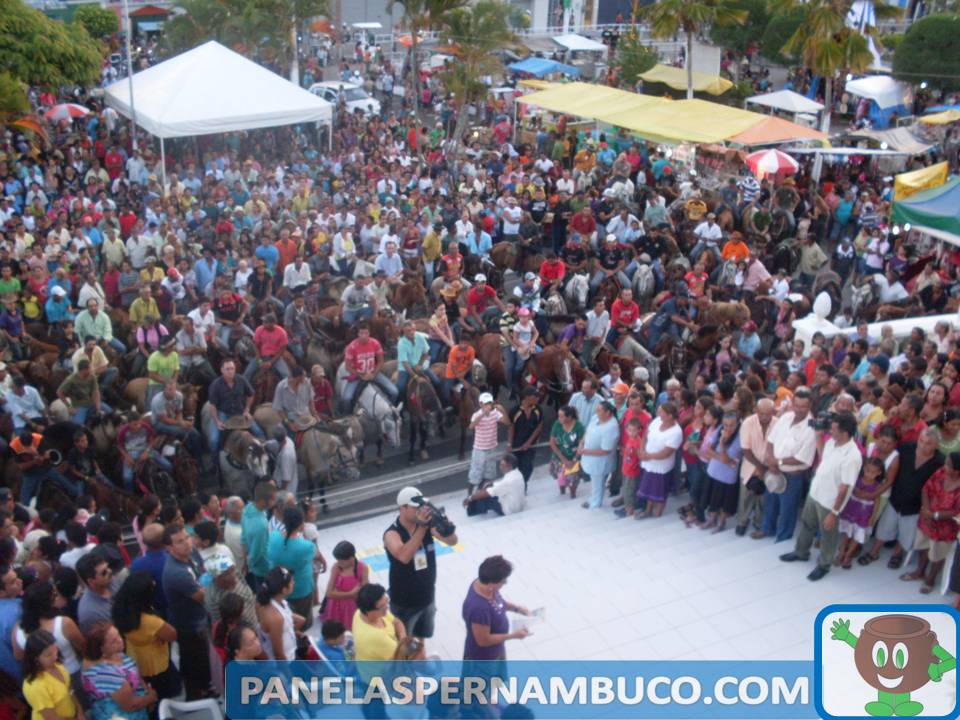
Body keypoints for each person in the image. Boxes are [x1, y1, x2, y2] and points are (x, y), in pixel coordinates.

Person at [780, 412, 863, 581]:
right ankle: (801, 552)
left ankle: (824, 565)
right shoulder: (833, 442)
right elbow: (824, 456)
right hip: (815, 493)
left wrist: (834, 513)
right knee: (807, 524)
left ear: (844, 432)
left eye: (834, 429)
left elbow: (844, 488)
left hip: (829, 502)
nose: (830, 431)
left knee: (828, 535)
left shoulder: (852, 456)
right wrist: (818, 436)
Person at [383, 487, 458, 639]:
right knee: (404, 641)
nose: (420, 511)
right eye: (415, 507)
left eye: (421, 506)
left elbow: (453, 541)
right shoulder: (392, 533)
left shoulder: (427, 526)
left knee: (422, 636)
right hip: (404, 601)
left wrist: (446, 528)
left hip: (427, 595)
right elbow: (404, 556)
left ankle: (420, 652)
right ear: (402, 508)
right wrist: (423, 528)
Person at [111, 572, 181, 701]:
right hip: (156, 663)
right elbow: (173, 635)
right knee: (168, 692)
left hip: (136, 658)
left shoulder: (119, 610)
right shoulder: (150, 621)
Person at [160, 525, 210, 700]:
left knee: (202, 658)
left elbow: (203, 571)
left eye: (188, 537)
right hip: (189, 625)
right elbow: (201, 596)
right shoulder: (176, 572)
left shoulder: (192, 553)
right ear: (169, 547)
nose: (187, 543)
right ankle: (195, 695)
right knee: (192, 661)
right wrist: (211, 582)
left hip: (199, 617)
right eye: (180, 541)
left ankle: (204, 687)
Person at [900, 451, 960, 593]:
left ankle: (930, 578)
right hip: (927, 518)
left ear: (957, 471)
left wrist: (935, 515)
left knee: (937, 554)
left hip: (946, 526)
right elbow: (926, 490)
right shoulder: (940, 473)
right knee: (923, 546)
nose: (944, 466)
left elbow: (957, 511)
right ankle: (920, 571)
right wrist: (927, 512)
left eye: (948, 465)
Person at [762, 389, 817, 542]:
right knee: (770, 502)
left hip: (792, 477)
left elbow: (802, 459)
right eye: (796, 405)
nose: (799, 409)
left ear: (810, 406)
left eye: (803, 406)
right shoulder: (786, 417)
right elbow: (771, 440)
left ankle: (783, 538)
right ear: (792, 404)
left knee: (788, 509)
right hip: (774, 470)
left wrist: (777, 462)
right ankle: (767, 530)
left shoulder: (811, 428)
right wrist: (771, 460)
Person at [80, 621, 156, 720]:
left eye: (118, 635)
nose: (120, 640)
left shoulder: (113, 653)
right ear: (102, 649)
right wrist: (151, 697)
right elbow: (131, 706)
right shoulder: (107, 674)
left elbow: (135, 674)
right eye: (114, 641)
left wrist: (146, 691)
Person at [462, 556, 531, 664]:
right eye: (503, 581)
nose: (506, 582)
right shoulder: (479, 609)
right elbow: (483, 640)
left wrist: (517, 609)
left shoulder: (484, 585)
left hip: (496, 647)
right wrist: (513, 635)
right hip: (484, 658)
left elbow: (499, 602)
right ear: (491, 583)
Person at [267, 506, 325, 631]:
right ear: (301, 524)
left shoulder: (273, 537)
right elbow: (316, 555)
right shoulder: (306, 546)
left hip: (279, 587)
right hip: (301, 588)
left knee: (286, 617)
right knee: (302, 619)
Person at [635, 401, 684, 518]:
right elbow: (645, 435)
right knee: (649, 489)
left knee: (660, 491)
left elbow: (666, 453)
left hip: (661, 468)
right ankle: (648, 510)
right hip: (648, 463)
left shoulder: (676, 432)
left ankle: (658, 513)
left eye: (661, 411)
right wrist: (641, 450)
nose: (658, 413)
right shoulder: (657, 421)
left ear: (670, 416)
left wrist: (647, 456)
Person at [206, 359, 265, 453]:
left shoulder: (241, 379)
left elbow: (251, 394)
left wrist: (247, 409)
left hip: (240, 412)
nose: (230, 371)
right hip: (223, 412)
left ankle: (264, 452)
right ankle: (215, 460)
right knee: (214, 440)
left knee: (259, 432)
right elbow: (212, 405)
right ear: (222, 370)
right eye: (227, 369)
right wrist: (217, 421)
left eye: (232, 368)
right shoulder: (215, 385)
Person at [21, 629, 82, 720]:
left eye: (55, 650)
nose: (55, 656)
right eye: (49, 655)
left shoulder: (56, 664)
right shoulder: (34, 686)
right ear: (35, 658)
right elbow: (51, 717)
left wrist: (79, 711)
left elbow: (70, 690)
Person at [340, 322, 398, 413]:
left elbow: (380, 361)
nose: (364, 336)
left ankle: (389, 412)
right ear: (358, 334)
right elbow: (348, 367)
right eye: (361, 333)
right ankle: (348, 415)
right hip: (358, 375)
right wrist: (361, 375)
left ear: (369, 333)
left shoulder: (375, 343)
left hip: (373, 373)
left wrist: (373, 374)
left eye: (366, 333)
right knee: (346, 398)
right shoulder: (351, 347)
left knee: (394, 392)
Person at [12, 431, 80, 506]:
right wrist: (34, 462)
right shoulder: (15, 445)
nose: (28, 447)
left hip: (45, 469)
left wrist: (40, 457)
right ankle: (25, 509)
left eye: (29, 444)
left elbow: (47, 455)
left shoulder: (39, 439)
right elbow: (21, 466)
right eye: (26, 445)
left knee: (69, 487)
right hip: (30, 474)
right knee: (24, 499)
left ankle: (78, 499)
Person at [577, 400, 621, 511]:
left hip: (600, 461)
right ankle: (593, 499)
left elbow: (606, 450)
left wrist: (585, 451)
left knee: (598, 483)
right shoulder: (595, 418)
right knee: (595, 482)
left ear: (608, 413)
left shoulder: (611, 427)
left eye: (599, 410)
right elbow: (587, 432)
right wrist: (581, 443)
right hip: (590, 457)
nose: (596, 412)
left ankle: (595, 504)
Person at [255, 566, 303, 661]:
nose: (293, 583)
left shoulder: (275, 601)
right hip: (287, 659)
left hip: (290, 651)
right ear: (284, 590)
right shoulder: (276, 618)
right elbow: (279, 654)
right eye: (291, 582)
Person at [321, 541, 369, 632]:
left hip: (354, 606)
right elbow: (329, 593)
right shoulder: (336, 568)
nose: (338, 562)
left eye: (342, 560)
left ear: (351, 558)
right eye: (337, 560)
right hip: (337, 605)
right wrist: (350, 594)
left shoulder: (363, 568)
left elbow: (365, 590)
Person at [468, 394, 511, 492]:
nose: (488, 405)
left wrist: (503, 410)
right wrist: (483, 414)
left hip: (491, 448)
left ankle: (482, 492)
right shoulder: (476, 414)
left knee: (489, 474)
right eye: (486, 403)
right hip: (479, 449)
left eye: (490, 403)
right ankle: (470, 494)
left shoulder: (495, 413)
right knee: (475, 474)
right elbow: (471, 426)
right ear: (480, 404)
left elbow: (507, 422)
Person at [352, 584, 405, 662]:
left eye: (387, 601)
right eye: (382, 606)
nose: (387, 607)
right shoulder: (376, 637)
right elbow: (403, 657)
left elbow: (397, 622)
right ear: (368, 611)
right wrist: (403, 643)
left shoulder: (359, 612)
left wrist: (402, 638)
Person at [242, 483, 276, 591]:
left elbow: (243, 538)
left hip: (253, 564)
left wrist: (245, 560)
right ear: (263, 501)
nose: (275, 502)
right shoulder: (260, 525)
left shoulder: (247, 509)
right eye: (273, 499)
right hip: (263, 568)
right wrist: (250, 564)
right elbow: (257, 552)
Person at [508, 388, 543, 489]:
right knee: (517, 466)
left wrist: (529, 442)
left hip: (531, 444)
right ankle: (519, 486)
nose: (537, 398)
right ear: (527, 397)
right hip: (517, 444)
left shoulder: (538, 409)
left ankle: (524, 484)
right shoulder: (515, 411)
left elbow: (539, 427)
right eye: (535, 396)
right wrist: (509, 444)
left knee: (528, 466)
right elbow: (511, 428)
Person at [549, 405, 585, 498]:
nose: (559, 418)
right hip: (559, 456)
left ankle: (573, 493)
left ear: (569, 417)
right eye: (558, 416)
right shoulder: (557, 424)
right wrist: (564, 460)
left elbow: (581, 444)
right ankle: (562, 490)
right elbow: (552, 443)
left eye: (561, 416)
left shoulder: (579, 426)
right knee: (561, 478)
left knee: (573, 479)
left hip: (574, 457)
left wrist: (574, 460)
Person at [76, 554, 114, 634]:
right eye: (104, 572)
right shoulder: (89, 614)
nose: (110, 571)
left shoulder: (111, 582)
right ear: (91, 581)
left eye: (108, 567)